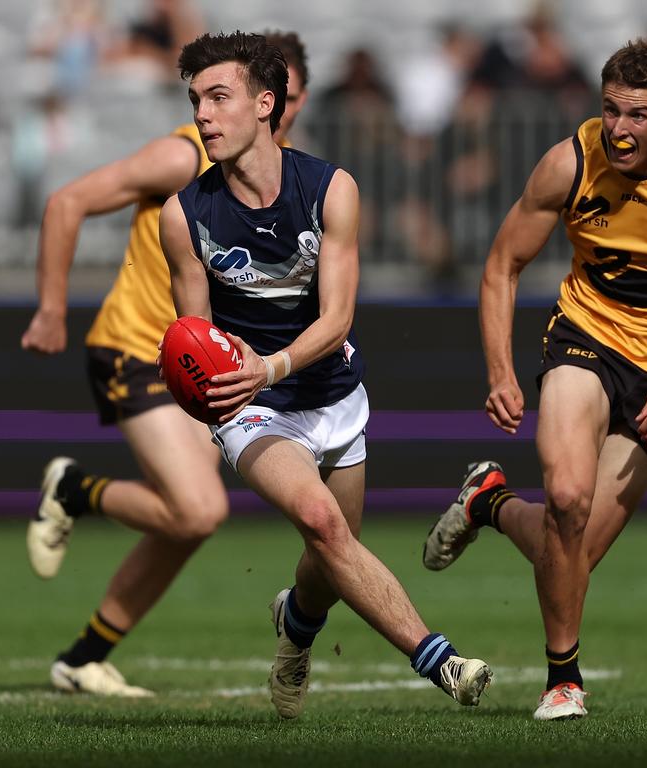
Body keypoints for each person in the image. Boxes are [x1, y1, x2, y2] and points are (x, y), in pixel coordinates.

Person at [422, 38, 647, 720]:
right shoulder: (569, 162)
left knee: (567, 549)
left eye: (637, 115)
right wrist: (500, 369)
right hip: (584, 339)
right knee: (569, 499)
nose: (619, 129)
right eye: (610, 111)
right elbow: (501, 266)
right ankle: (563, 681)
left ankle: (487, 502)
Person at [159, 31, 492, 719]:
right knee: (321, 522)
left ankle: (295, 634)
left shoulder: (331, 189)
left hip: (332, 395)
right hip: (253, 408)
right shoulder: (183, 214)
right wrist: (212, 406)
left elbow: (338, 321)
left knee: (330, 562)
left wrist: (269, 364)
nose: (204, 114)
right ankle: (442, 660)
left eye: (219, 97)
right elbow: (195, 340)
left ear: (266, 104)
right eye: (196, 99)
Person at [20, 32, 311, 697]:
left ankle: (85, 656)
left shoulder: (290, 182)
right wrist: (51, 308)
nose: (267, 112)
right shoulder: (182, 156)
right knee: (200, 509)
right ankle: (74, 493)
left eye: (281, 99)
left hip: (201, 368)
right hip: (137, 347)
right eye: (216, 98)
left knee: (187, 519)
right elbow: (67, 201)